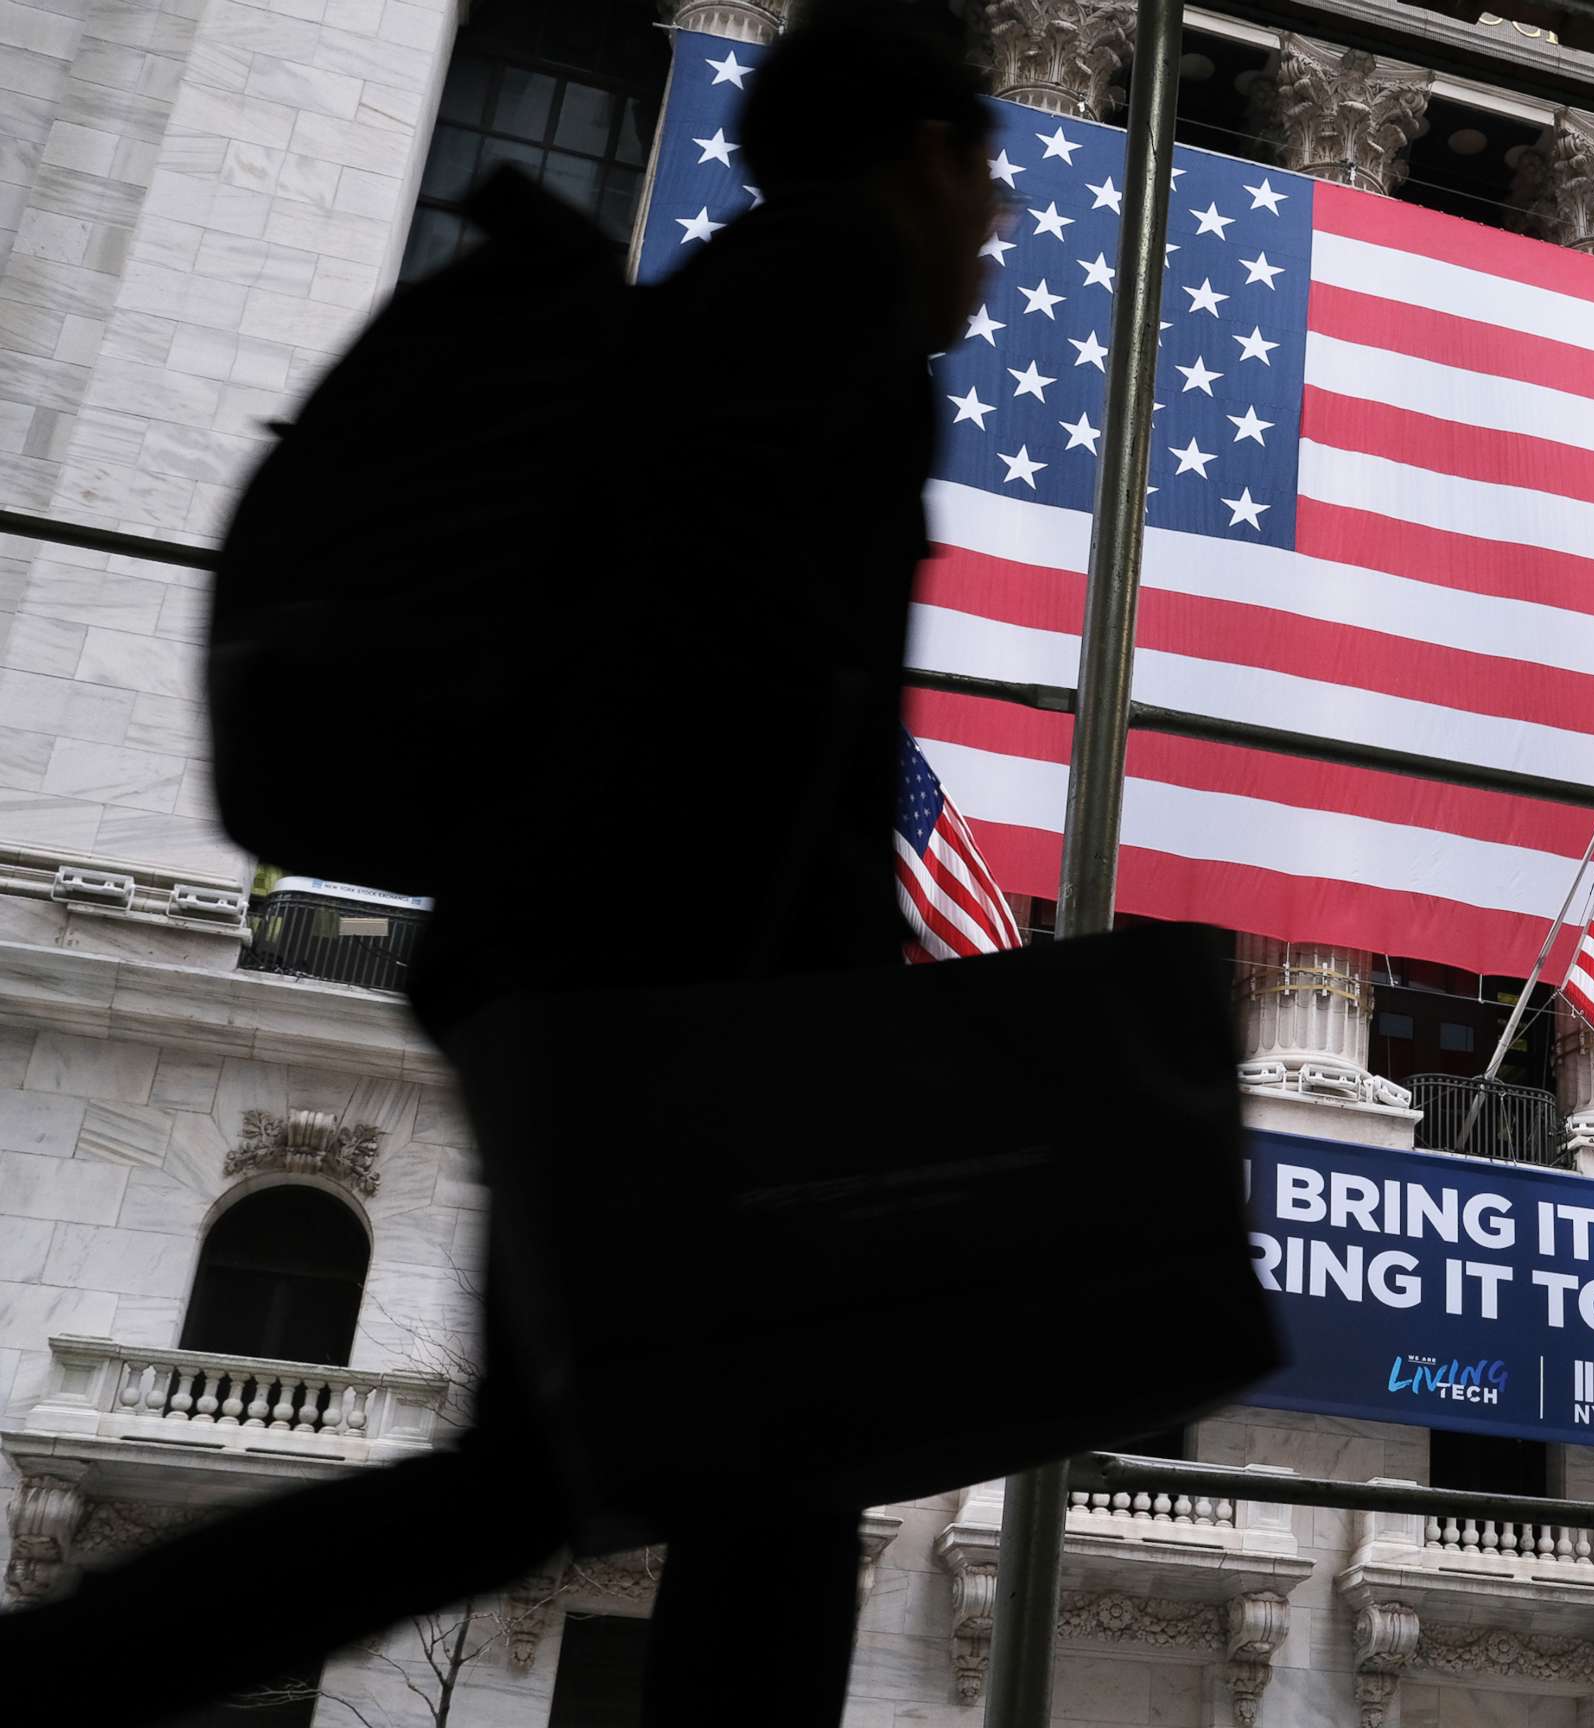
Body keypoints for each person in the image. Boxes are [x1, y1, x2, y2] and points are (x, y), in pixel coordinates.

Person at [0, 10, 1274, 1722]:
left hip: (603, 972)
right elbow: (744, 678)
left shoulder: (756, 295)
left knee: (614, 1486)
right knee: (711, 1489)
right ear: (920, 153)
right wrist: (790, 1036)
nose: (998, 218)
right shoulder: (824, 305)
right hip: (668, 1003)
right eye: (987, 169)